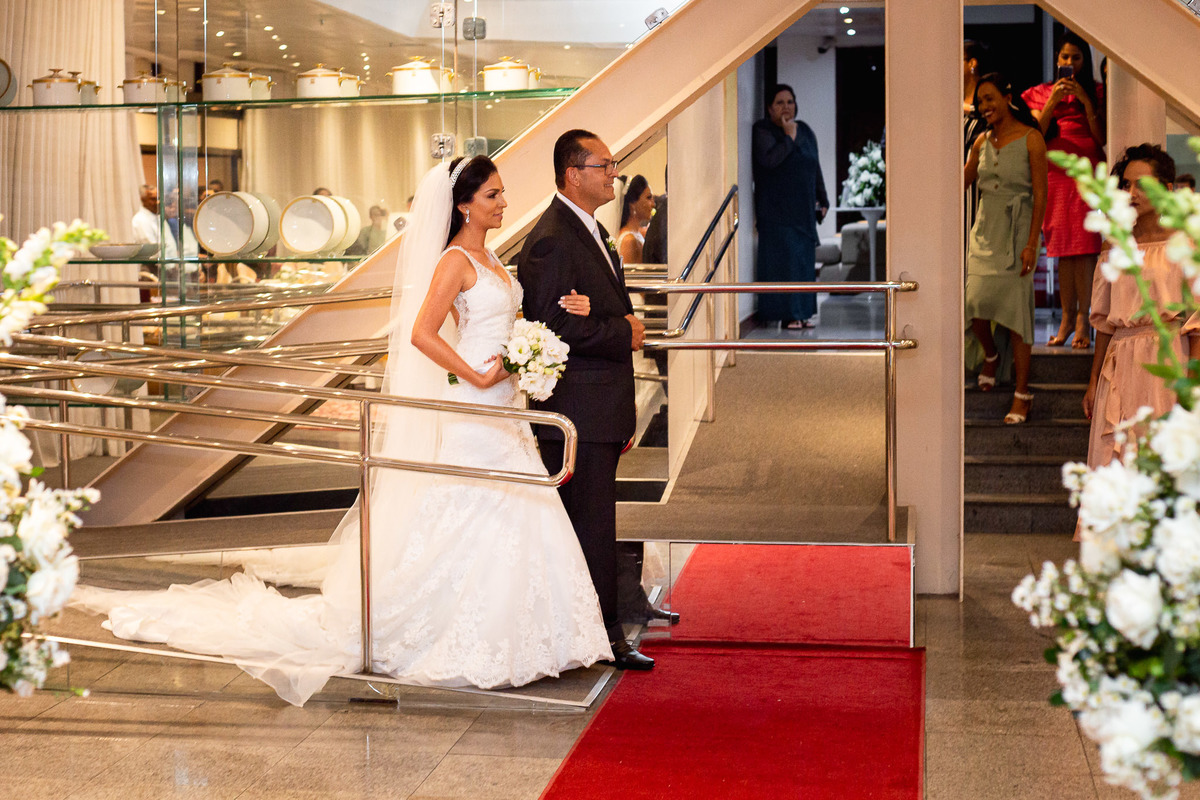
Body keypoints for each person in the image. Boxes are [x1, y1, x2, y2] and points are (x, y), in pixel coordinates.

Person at [71, 156, 613, 706]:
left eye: (501, 193)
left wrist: (529, 349)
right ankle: (460, 634)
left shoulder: (492, 256)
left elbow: (490, 321)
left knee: (514, 503)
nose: (503, 204)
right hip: (475, 398)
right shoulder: (453, 259)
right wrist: (472, 372)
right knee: (474, 505)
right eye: (493, 195)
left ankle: (534, 635)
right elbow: (421, 333)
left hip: (504, 398)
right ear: (463, 204)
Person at [518, 129, 668, 672]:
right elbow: (553, 327)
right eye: (604, 166)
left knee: (594, 523)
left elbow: (598, 309)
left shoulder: (593, 230)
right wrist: (621, 330)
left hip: (600, 406)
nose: (614, 175)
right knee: (590, 526)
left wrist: (610, 317)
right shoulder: (552, 239)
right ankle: (603, 638)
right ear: (572, 174)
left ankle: (590, 630)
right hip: (579, 409)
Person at [1083, 144, 1200, 469]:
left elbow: (1196, 324)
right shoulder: (1113, 246)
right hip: (1121, 364)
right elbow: (1104, 323)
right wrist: (1093, 381)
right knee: (1114, 460)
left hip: (1167, 361)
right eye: (1126, 184)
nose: (1131, 192)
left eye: (1141, 184)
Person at [965, 73, 1048, 425]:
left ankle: (1022, 393)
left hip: (1018, 232)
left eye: (990, 98)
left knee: (1016, 314)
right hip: (985, 230)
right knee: (974, 302)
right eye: (981, 101)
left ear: (1008, 97)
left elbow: (1041, 194)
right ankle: (991, 355)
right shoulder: (980, 142)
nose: (985, 106)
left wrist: (1031, 243)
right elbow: (961, 181)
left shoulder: (1032, 139)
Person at [1022, 31, 1106, 349]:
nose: (1069, 63)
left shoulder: (1097, 91)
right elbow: (1035, 134)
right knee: (1061, 248)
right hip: (1054, 173)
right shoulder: (1040, 92)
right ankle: (1067, 317)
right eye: (1064, 57)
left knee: (1085, 247)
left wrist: (1085, 100)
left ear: (1085, 61)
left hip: (1086, 172)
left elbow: (1102, 138)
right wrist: (1054, 100)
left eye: (1076, 57)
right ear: (1056, 60)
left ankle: (1085, 319)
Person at [752, 84, 829, 330]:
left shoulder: (804, 129)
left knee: (804, 264)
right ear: (769, 108)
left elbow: (814, 165)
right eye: (780, 103)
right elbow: (770, 161)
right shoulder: (763, 130)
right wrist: (788, 137)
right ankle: (788, 315)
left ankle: (803, 314)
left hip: (803, 211)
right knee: (784, 264)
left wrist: (823, 198)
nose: (786, 107)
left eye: (790, 101)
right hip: (776, 213)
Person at [616, 174, 655, 264]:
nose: (653, 204)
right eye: (648, 198)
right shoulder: (629, 241)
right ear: (633, 204)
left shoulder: (637, 234)